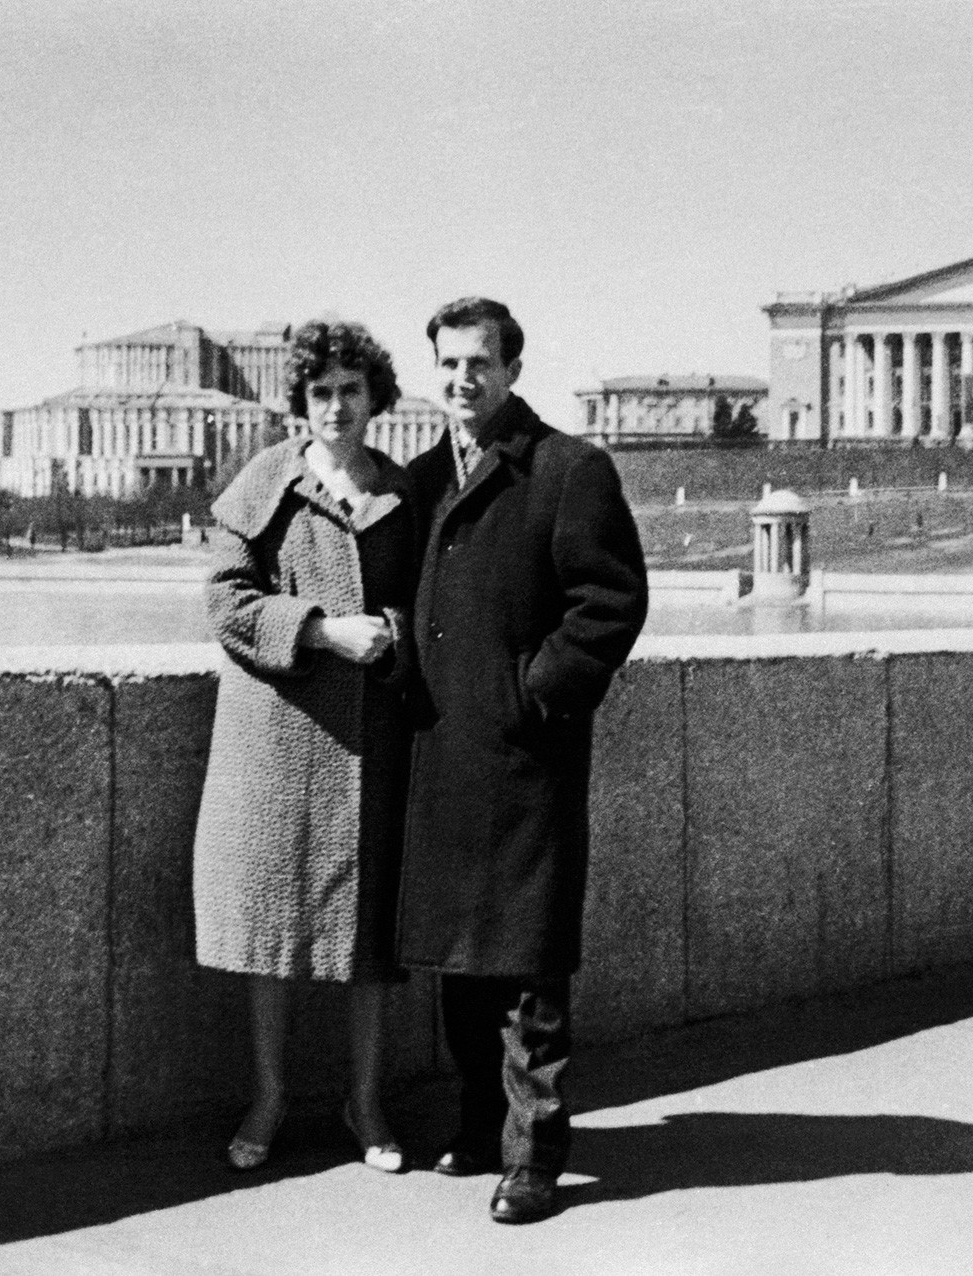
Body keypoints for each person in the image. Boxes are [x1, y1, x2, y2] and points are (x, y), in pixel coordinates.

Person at [397, 297, 649, 1223]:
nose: (464, 380)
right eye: (450, 365)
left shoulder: (568, 469)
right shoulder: (423, 479)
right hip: (441, 756)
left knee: (528, 969)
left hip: (524, 758)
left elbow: (610, 602)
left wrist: (534, 691)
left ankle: (536, 1157)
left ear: (512, 369)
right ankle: (475, 1125)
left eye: (480, 363)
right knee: (458, 964)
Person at [190, 319, 421, 1175]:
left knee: (371, 936)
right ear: (302, 401)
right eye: (321, 393)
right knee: (269, 924)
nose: (335, 407)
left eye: (351, 392)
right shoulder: (264, 482)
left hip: (372, 740)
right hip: (279, 735)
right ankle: (270, 1094)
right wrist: (319, 630)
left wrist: (389, 631)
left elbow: (426, 603)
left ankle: (367, 1102)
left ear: (375, 400)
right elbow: (225, 601)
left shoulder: (402, 490)